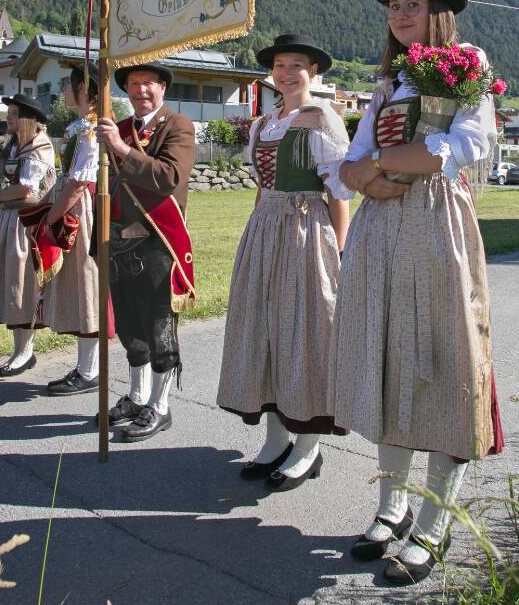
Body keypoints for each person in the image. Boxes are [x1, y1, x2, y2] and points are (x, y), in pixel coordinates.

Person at [329, 0, 503, 584]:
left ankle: (433, 524)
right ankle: (390, 508)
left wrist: (379, 168)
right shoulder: (387, 83)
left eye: (412, 4)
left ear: (437, 13)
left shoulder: (466, 66)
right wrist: (375, 177)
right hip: (381, 231)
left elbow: (466, 144)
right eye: (393, 6)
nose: (400, 14)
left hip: (436, 231)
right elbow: (347, 166)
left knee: (441, 362)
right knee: (388, 362)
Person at [217, 34, 350, 490]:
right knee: (264, 333)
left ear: (314, 72)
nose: (287, 72)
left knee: (307, 334)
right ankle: (276, 441)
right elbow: (260, 188)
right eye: (279, 64)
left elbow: (338, 193)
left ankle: (309, 447)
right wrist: (259, 228)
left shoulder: (323, 120)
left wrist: (341, 252)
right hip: (265, 229)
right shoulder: (262, 124)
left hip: (308, 229)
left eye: (297, 64)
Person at [96, 62, 195, 442]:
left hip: (157, 241)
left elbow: (169, 178)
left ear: (162, 88)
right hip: (118, 240)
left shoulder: (177, 126)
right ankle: (137, 396)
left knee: (158, 327)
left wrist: (120, 149)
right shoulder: (118, 129)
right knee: (129, 325)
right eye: (133, 84)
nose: (140, 91)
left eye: (147, 84)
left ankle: (160, 404)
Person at [0, 95, 56, 375]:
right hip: (8, 220)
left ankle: (25, 352)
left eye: (15, 113)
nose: (9, 117)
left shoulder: (39, 147)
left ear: (29, 119)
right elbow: (4, 178)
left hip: (27, 224)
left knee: (23, 287)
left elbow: (25, 189)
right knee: (11, 286)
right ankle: (18, 350)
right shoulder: (14, 146)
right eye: (9, 112)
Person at [43, 64, 101, 394]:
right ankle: (84, 367)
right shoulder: (81, 128)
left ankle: (89, 370)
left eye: (69, 84)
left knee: (86, 285)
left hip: (81, 213)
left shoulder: (90, 131)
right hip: (73, 208)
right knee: (79, 288)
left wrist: (52, 217)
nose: (64, 89)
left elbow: (79, 183)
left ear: (83, 90)